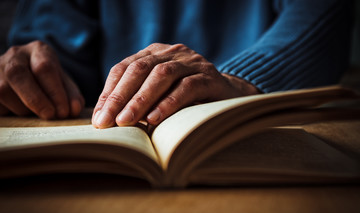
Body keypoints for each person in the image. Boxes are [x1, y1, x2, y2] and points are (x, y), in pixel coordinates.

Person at [0, 0, 353, 129]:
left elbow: (324, 16)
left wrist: (240, 81)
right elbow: (50, 42)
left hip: (268, 135)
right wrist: (31, 73)